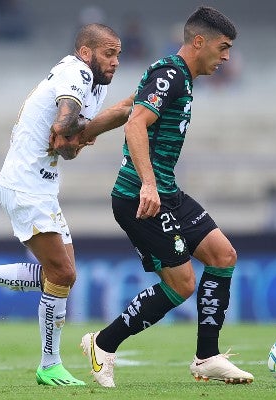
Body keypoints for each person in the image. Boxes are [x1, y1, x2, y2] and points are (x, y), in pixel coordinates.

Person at [0, 23, 132, 386]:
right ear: (86, 52)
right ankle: (49, 363)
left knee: (60, 275)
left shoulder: (95, 87)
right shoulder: (73, 72)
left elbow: (66, 144)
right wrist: (68, 130)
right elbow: (67, 115)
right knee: (63, 275)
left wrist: (72, 138)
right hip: (24, 186)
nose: (116, 61)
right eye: (109, 53)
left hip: (42, 189)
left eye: (119, 54)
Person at [80, 6, 254, 387]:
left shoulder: (178, 77)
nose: (226, 56)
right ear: (198, 42)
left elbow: (128, 108)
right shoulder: (170, 74)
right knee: (182, 285)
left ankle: (207, 357)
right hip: (139, 197)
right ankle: (102, 345)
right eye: (223, 47)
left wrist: (83, 132)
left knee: (223, 255)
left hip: (165, 191)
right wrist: (147, 183)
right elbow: (136, 125)